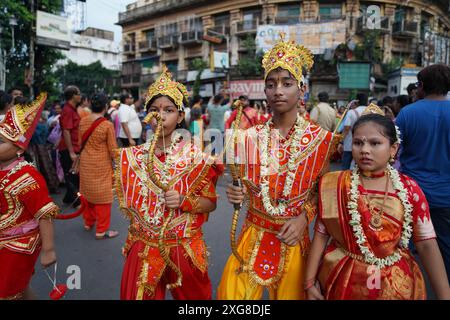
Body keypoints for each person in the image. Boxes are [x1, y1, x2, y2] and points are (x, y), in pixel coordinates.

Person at [217, 34, 339, 300]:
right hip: (252, 233)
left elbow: (322, 193)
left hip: (292, 238)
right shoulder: (248, 137)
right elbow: (244, 188)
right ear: (265, 91)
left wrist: (304, 217)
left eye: (287, 83)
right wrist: (237, 196)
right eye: (271, 84)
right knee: (231, 296)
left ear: (301, 89)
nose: (278, 91)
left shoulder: (321, 141)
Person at [305, 110, 450, 300]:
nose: (365, 149)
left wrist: (444, 295)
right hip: (343, 279)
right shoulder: (335, 184)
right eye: (358, 143)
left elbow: (427, 245)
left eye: (375, 143)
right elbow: (321, 235)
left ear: (393, 149)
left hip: (396, 284)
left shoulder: (409, 189)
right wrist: (308, 282)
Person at [117, 66, 223, 300]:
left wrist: (184, 201)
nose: (160, 116)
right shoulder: (131, 157)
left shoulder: (197, 158)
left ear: (180, 116)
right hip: (143, 246)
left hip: (182, 246)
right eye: (154, 110)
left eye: (168, 110)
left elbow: (210, 203)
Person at [0, 93, 58, 300]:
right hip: (3, 239)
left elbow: (44, 213)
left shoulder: (27, 176)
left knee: (7, 291)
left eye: (1, 142)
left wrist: (49, 249)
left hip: (20, 243)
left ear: (18, 148)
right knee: (18, 288)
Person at [396, 63, 450, 284]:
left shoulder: (408, 113)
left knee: (404, 245)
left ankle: (405, 286)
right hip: (446, 195)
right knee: (446, 246)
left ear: (422, 86)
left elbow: (392, 150)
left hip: (412, 192)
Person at [79, 93, 119, 240]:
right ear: (106, 107)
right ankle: (101, 230)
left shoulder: (83, 121)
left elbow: (79, 142)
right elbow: (113, 150)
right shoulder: (107, 125)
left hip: (85, 163)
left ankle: (88, 222)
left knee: (87, 193)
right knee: (103, 198)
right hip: (101, 165)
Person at [58, 85, 82, 207]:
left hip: (73, 147)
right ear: (73, 96)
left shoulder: (72, 109)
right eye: (79, 94)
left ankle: (68, 198)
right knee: (72, 175)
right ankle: (76, 201)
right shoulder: (67, 110)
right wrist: (71, 152)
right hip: (68, 148)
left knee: (72, 173)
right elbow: (66, 131)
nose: (80, 96)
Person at [341, 93, 368, 170]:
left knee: (346, 167)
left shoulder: (351, 112)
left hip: (350, 144)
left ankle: (344, 181)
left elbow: (346, 128)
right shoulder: (372, 112)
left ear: (357, 101)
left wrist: (341, 142)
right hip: (366, 146)